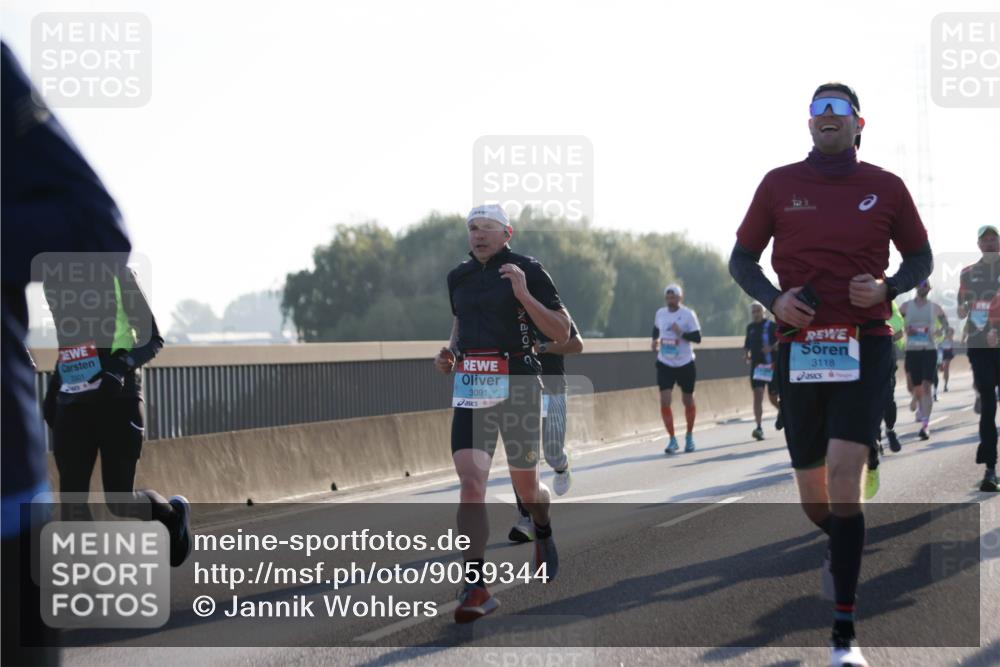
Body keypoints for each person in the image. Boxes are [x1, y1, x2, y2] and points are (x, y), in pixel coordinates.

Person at [729, 82, 932, 666]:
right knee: (815, 500)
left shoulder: (887, 187)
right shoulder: (778, 184)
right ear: (809, 122)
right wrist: (774, 300)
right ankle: (842, 541)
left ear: (858, 123)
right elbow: (741, 259)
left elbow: (921, 256)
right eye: (818, 108)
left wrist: (889, 288)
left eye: (838, 108)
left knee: (844, 478)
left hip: (865, 344)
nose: (826, 115)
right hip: (799, 349)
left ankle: (844, 634)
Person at [434, 204, 569, 622]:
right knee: (471, 482)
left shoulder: (529, 269)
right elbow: (460, 323)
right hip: (472, 386)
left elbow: (562, 331)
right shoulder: (458, 276)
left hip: (519, 384)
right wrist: (450, 353)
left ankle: (541, 526)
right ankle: (475, 585)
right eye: (472, 228)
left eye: (486, 228)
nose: (477, 234)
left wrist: (524, 295)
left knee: (528, 490)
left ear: (506, 233)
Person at [41, 257, 192, 568]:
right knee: (72, 501)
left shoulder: (118, 274)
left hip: (119, 398)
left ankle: (172, 517)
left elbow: (153, 338)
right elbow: (70, 343)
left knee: (120, 501)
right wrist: (54, 388)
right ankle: (88, 578)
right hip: (73, 401)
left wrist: (119, 369)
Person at [508, 322, 583, 543]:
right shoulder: (510, 315)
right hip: (522, 390)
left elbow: (577, 344)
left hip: (553, 388)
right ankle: (526, 519)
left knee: (551, 453)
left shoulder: (551, 309)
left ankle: (561, 465)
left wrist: (542, 347)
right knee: (522, 455)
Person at [957, 224, 1000, 492]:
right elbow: (962, 308)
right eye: (985, 240)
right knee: (988, 404)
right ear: (978, 245)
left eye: (993, 238)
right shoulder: (968, 273)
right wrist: (963, 310)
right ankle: (990, 469)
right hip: (980, 346)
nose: (989, 243)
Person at [652, 284, 702, 454]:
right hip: (665, 362)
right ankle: (672, 439)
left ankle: (689, 436)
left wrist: (680, 333)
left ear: (680, 298)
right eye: (668, 297)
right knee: (664, 400)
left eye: (673, 297)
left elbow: (698, 338)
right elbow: (656, 329)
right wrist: (654, 340)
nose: (670, 300)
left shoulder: (688, 314)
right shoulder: (660, 313)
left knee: (688, 400)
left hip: (685, 363)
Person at [899, 280, 948, 440]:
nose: (922, 287)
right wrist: (905, 330)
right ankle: (915, 396)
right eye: (920, 285)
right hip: (912, 351)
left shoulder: (935, 308)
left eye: (925, 285)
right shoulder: (905, 307)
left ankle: (925, 426)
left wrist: (939, 332)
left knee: (927, 386)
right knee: (912, 385)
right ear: (915, 287)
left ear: (929, 288)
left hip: (929, 351)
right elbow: (895, 324)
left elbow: (946, 327)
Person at [744, 302, 780, 440]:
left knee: (773, 398)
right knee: (757, 395)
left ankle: (782, 412)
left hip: (771, 366)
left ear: (763, 312)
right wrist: (747, 354)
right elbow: (747, 344)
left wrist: (771, 348)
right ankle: (759, 427)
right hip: (757, 367)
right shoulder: (750, 328)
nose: (756, 314)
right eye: (753, 311)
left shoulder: (771, 326)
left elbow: (781, 340)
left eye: (758, 311)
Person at [939, 326, 955, 392]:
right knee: (941, 368)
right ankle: (941, 367)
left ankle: (945, 385)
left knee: (946, 368)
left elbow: (952, 340)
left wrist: (949, 335)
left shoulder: (950, 330)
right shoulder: (940, 330)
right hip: (940, 351)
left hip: (948, 351)